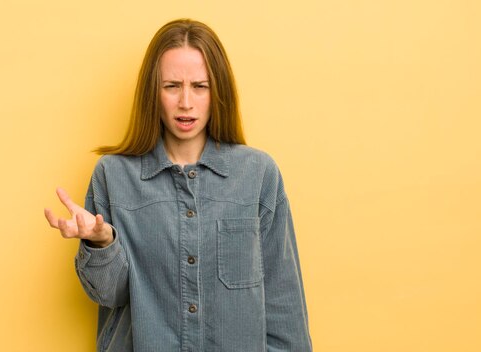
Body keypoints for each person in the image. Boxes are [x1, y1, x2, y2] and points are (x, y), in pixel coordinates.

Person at [44, 18, 312, 352]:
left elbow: (283, 303)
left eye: (200, 86)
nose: (186, 102)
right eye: (172, 86)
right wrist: (102, 243)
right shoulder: (113, 175)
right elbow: (109, 295)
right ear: (152, 93)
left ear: (219, 92)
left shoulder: (258, 174)